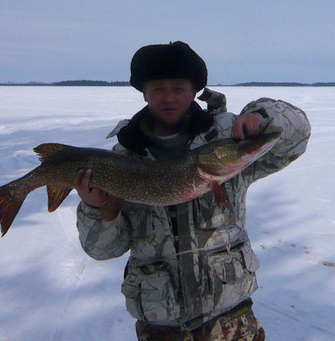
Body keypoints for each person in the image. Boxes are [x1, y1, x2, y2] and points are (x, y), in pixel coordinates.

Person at [74, 41, 311, 341]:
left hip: (230, 319)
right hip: (162, 328)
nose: (169, 97)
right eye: (158, 88)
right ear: (144, 93)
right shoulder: (124, 157)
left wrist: (263, 118)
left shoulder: (228, 137)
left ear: (195, 90)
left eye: (179, 87)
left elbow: (297, 135)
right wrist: (94, 207)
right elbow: (102, 248)